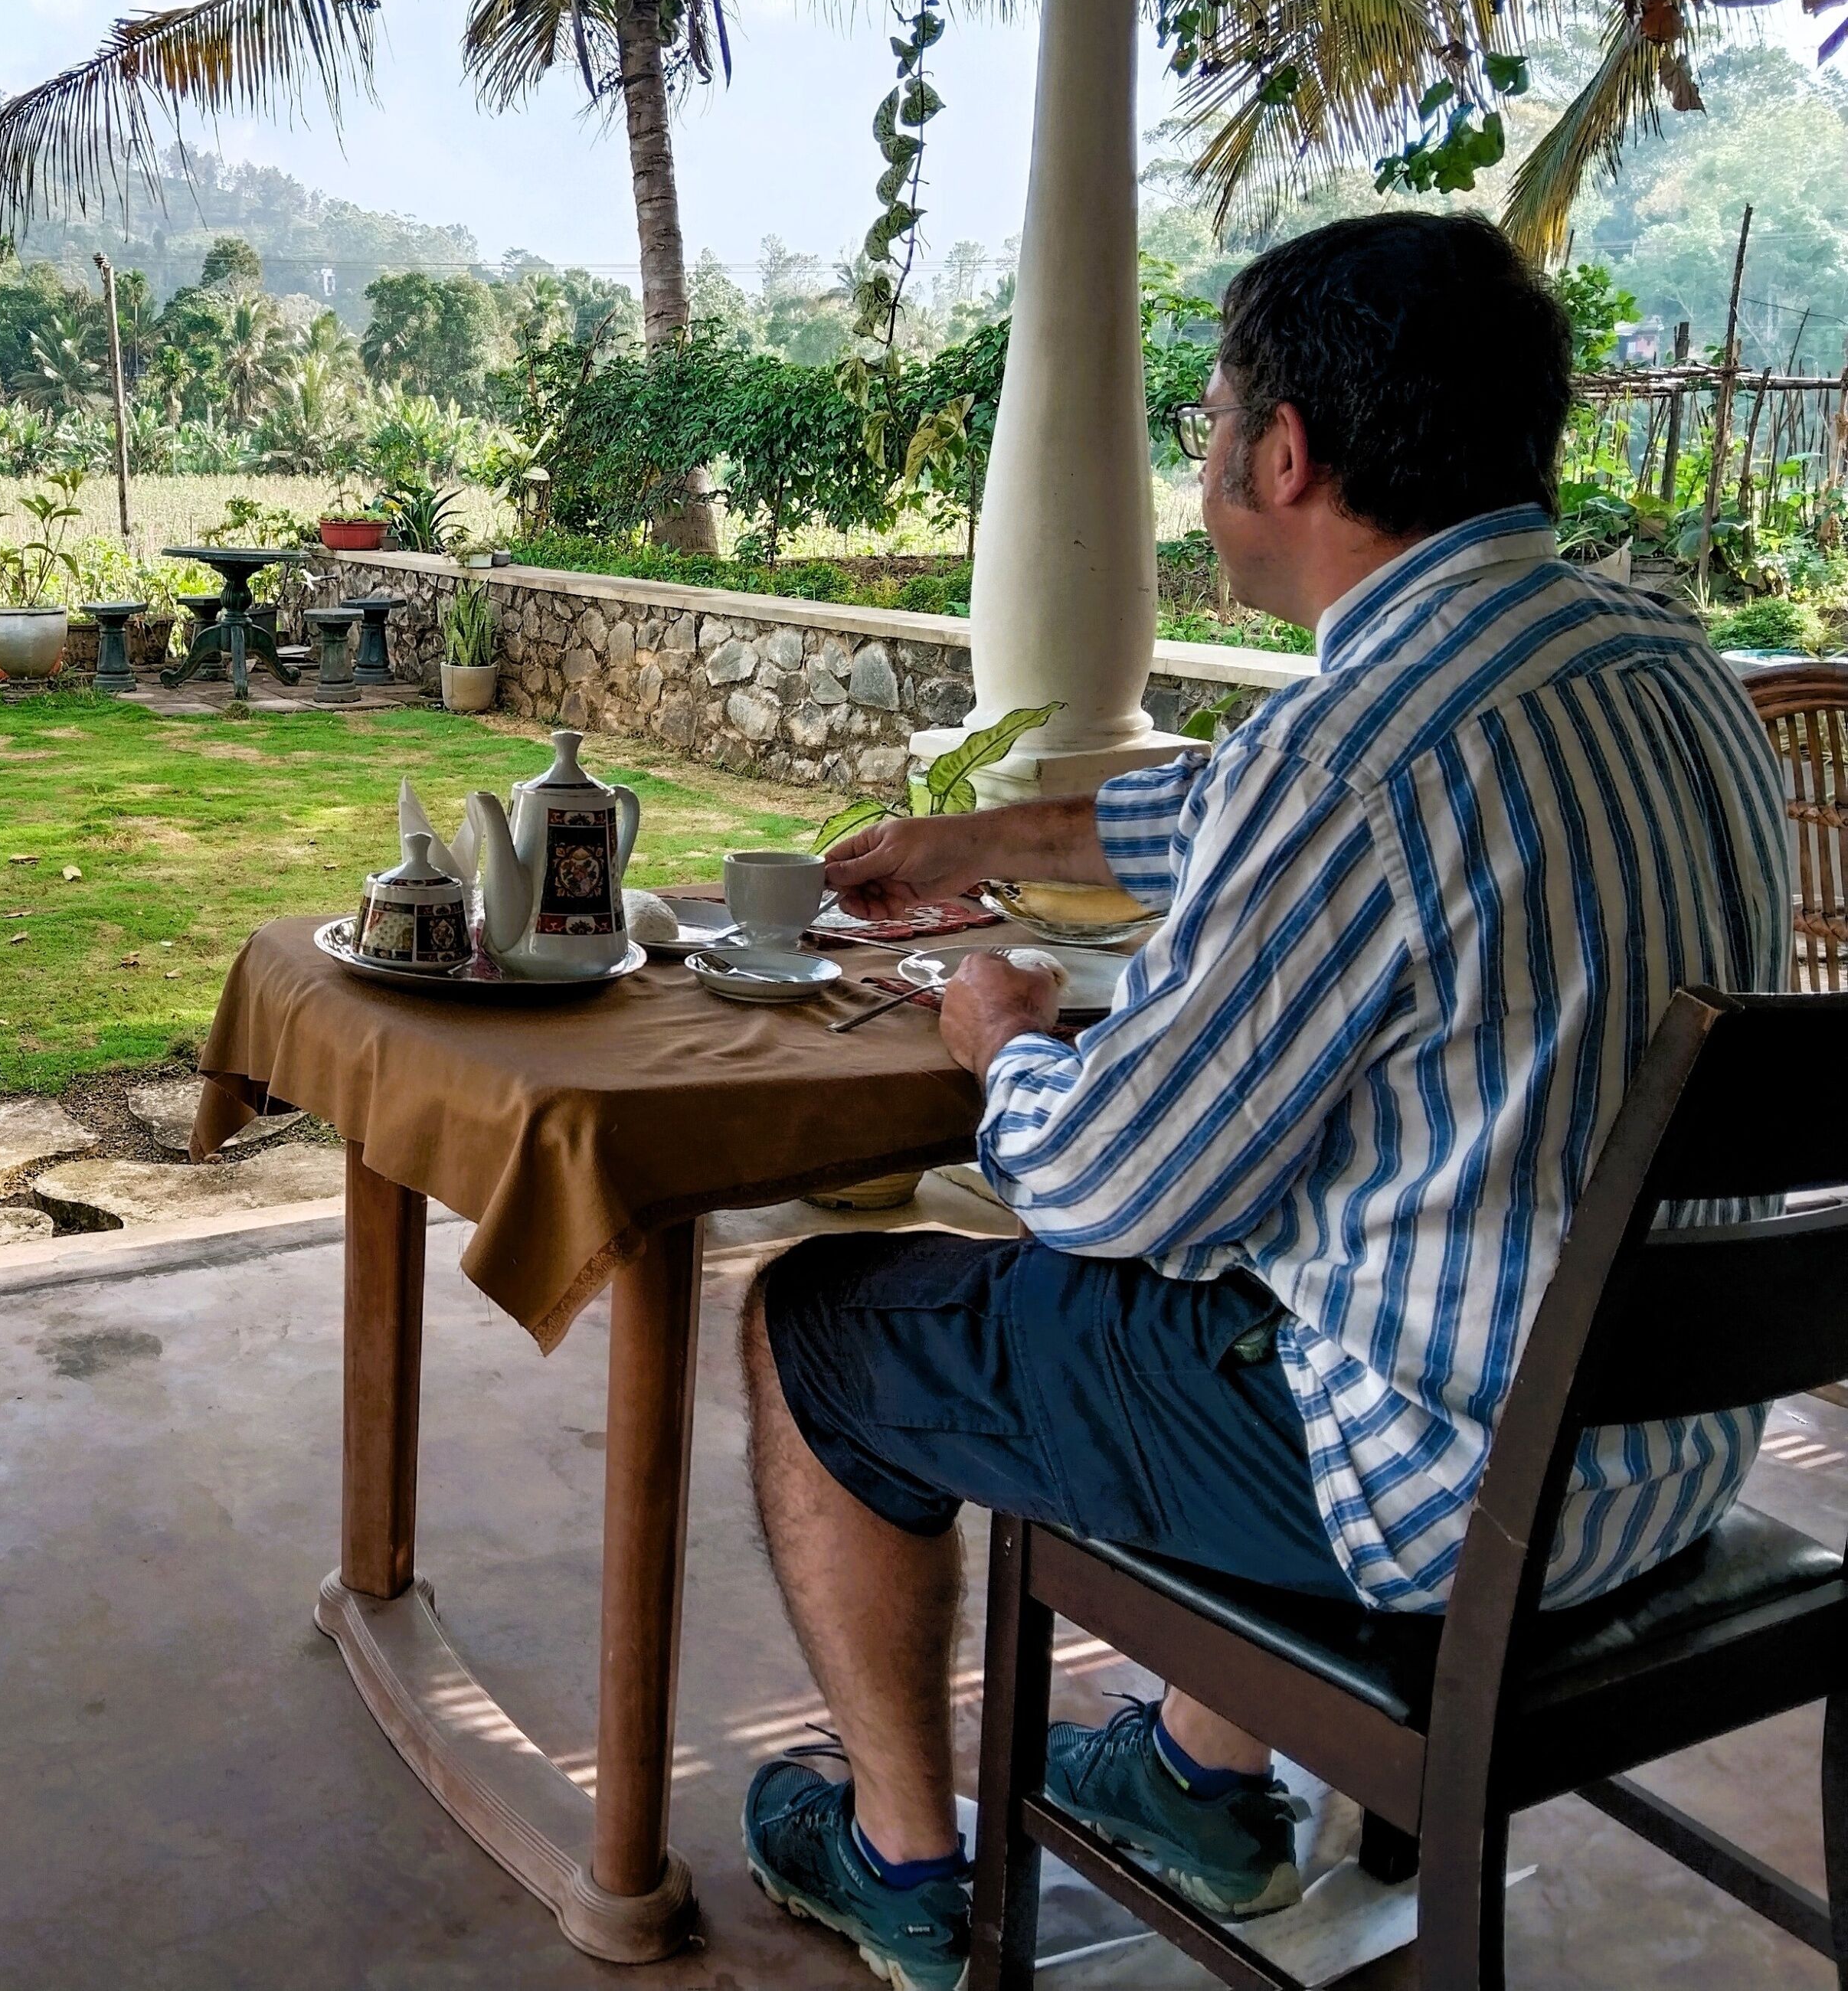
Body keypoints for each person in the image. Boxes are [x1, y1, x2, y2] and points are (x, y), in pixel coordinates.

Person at [736, 212, 1794, 1989]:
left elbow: (1107, 1190)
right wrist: (965, 842)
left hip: (1451, 1498)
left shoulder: (1362, 752)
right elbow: (1214, 816)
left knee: (831, 1328)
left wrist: (997, 1031)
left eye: (1212, 417)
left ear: (1280, 453)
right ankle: (1192, 1785)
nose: (1206, 451)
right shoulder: (1667, 668)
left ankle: (900, 1860)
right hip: (1664, 1457)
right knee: (1280, 1261)